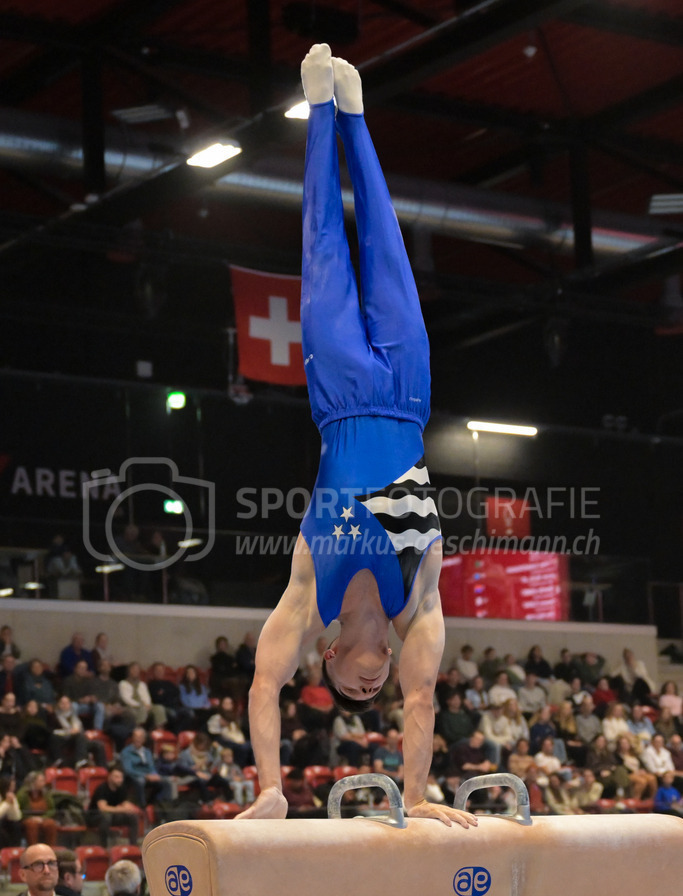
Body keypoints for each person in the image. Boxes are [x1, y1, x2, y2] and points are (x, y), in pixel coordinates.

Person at [236, 45, 476, 831]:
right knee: (384, 245)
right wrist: (414, 798)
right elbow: (420, 701)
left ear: (332, 657)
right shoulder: (421, 601)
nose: (368, 694)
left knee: (325, 253)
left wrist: (270, 788)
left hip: (338, 398)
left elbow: (262, 687)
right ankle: (358, 117)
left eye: (354, 689)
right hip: (406, 396)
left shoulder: (310, 592)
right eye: (367, 696)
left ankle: (320, 112)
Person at [87, 764, 140, 847]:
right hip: (95, 817)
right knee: (106, 817)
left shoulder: (121, 788)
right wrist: (121, 809)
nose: (120, 780)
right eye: (116, 777)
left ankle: (133, 846)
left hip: (112, 816)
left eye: (121, 777)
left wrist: (128, 809)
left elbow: (126, 805)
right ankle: (103, 847)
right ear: (109, 777)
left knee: (132, 817)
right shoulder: (102, 789)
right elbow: (103, 808)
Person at [120, 727, 173, 806]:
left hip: (148, 775)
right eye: (136, 737)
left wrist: (154, 774)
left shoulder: (147, 752)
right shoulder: (126, 752)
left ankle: (158, 805)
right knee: (140, 781)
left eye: (140, 737)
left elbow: (151, 766)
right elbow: (128, 770)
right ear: (132, 738)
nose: (137, 739)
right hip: (134, 776)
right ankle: (142, 806)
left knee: (166, 782)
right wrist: (145, 776)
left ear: (144, 739)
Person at [16, 770, 57, 845]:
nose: (44, 783)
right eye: (41, 780)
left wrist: (43, 818)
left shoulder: (46, 793)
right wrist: (31, 817)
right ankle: (33, 848)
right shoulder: (22, 794)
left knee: (50, 824)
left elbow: (52, 810)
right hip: (28, 818)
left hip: (43, 818)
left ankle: (51, 848)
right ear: (33, 782)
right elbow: (18, 811)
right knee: (32, 825)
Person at [0, 776, 22, 846]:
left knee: (15, 825)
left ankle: (15, 849)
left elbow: (17, 817)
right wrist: (6, 803)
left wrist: (12, 804)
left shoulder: (12, 796)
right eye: (11, 786)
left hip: (6, 822)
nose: (13, 788)